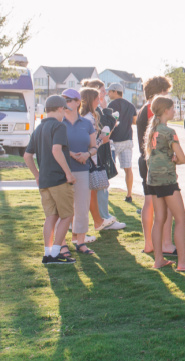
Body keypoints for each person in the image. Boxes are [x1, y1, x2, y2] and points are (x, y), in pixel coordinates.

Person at [145, 96, 185, 271]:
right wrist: (176, 160)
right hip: (167, 180)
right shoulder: (168, 131)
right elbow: (183, 158)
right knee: (181, 219)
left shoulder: (152, 130)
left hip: (153, 179)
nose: (175, 110)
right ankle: (183, 262)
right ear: (165, 110)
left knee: (159, 219)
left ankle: (158, 260)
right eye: (172, 108)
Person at [23, 95, 77, 265]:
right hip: (59, 179)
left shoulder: (39, 128)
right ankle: (55, 253)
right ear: (60, 109)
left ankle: (47, 254)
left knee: (51, 217)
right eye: (64, 111)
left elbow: (27, 156)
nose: (64, 114)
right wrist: (68, 173)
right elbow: (56, 150)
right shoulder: (59, 126)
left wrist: (37, 175)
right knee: (67, 215)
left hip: (44, 181)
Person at [137, 76, 176, 255]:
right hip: (157, 163)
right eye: (166, 91)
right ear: (160, 91)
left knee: (148, 203)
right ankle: (166, 244)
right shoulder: (155, 108)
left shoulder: (142, 109)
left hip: (144, 159)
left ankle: (148, 244)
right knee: (165, 206)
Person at [79, 87, 126, 232]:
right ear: (91, 100)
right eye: (97, 98)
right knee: (90, 194)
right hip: (90, 159)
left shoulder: (85, 116)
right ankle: (94, 224)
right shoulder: (89, 118)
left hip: (90, 158)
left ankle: (97, 222)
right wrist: (101, 140)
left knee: (90, 193)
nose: (99, 100)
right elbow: (90, 143)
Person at [60, 88, 98, 256]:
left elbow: (94, 146)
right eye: (63, 100)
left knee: (82, 208)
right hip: (62, 171)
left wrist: (87, 154)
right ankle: (61, 243)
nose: (65, 103)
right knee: (62, 208)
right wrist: (70, 154)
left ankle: (80, 242)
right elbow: (55, 147)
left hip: (83, 170)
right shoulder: (59, 123)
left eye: (68, 99)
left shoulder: (87, 123)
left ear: (77, 102)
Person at [107, 82, 138, 203]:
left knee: (108, 168)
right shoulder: (130, 105)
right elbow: (134, 121)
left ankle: (106, 192)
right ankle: (129, 194)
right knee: (128, 168)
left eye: (110, 91)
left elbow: (109, 122)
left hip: (113, 141)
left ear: (115, 91)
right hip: (127, 140)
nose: (108, 94)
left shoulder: (111, 105)